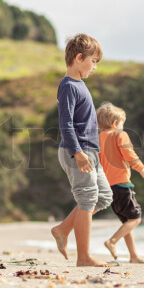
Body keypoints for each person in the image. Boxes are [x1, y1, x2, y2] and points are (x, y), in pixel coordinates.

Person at [50, 33, 112, 267]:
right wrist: (77, 152)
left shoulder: (80, 85)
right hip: (76, 150)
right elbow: (65, 124)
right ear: (78, 58)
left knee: (104, 197)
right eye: (93, 61)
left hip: (89, 150)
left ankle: (62, 229)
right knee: (87, 198)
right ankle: (84, 257)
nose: (95, 67)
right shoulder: (67, 86)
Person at [96, 102, 144, 263]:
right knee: (136, 219)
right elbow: (129, 154)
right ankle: (112, 241)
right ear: (115, 124)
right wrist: (141, 169)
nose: (122, 127)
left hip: (108, 186)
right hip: (121, 184)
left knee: (127, 221)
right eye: (122, 124)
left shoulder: (98, 138)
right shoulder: (119, 135)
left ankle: (133, 256)